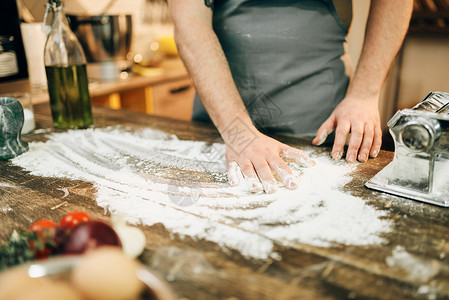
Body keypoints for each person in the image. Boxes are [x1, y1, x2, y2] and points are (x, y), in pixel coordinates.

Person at [167, 0, 413, 193]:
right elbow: (190, 19)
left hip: (322, 136)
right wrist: (238, 134)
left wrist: (363, 94)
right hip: (221, 133)